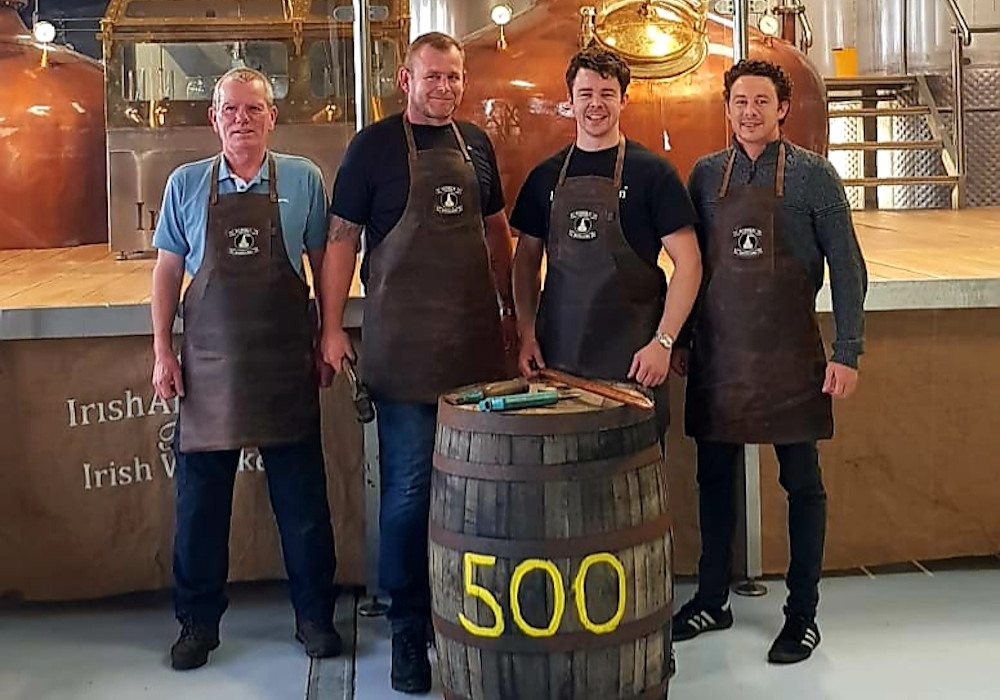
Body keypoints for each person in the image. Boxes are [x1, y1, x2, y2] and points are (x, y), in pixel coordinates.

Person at [319, 32, 516, 694]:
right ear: (405, 80)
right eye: (432, 76)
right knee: (408, 492)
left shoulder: (476, 145)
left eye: (454, 77)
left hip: (475, 351)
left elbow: (496, 232)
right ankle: (408, 630)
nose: (445, 88)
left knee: (475, 493)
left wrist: (512, 313)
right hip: (403, 353)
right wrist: (330, 327)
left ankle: (461, 614)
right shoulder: (372, 148)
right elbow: (341, 242)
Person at [672, 59, 868, 665]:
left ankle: (802, 614)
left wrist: (848, 350)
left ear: (782, 108)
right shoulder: (706, 175)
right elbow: (691, 267)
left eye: (761, 101)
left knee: (802, 484)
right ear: (727, 108)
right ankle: (712, 599)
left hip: (791, 358)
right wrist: (681, 339)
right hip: (720, 355)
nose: (750, 112)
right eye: (740, 102)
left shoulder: (816, 176)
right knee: (713, 480)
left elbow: (848, 267)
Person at [150, 67, 340, 671]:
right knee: (199, 510)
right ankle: (197, 623)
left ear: (272, 116)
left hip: (285, 363)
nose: (241, 119)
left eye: (253, 109)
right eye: (230, 109)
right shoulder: (185, 184)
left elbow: (324, 263)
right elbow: (167, 271)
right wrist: (162, 349)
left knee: (303, 507)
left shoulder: (304, 179)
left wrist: (329, 333)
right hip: (208, 371)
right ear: (214, 118)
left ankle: (315, 618)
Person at [510, 46, 702, 445]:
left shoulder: (653, 174)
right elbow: (525, 261)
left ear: (624, 100)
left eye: (607, 94)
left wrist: (663, 342)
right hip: (557, 366)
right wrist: (527, 332)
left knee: (634, 478)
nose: (595, 104)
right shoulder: (545, 176)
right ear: (570, 101)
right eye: (585, 94)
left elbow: (690, 263)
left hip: (633, 366)